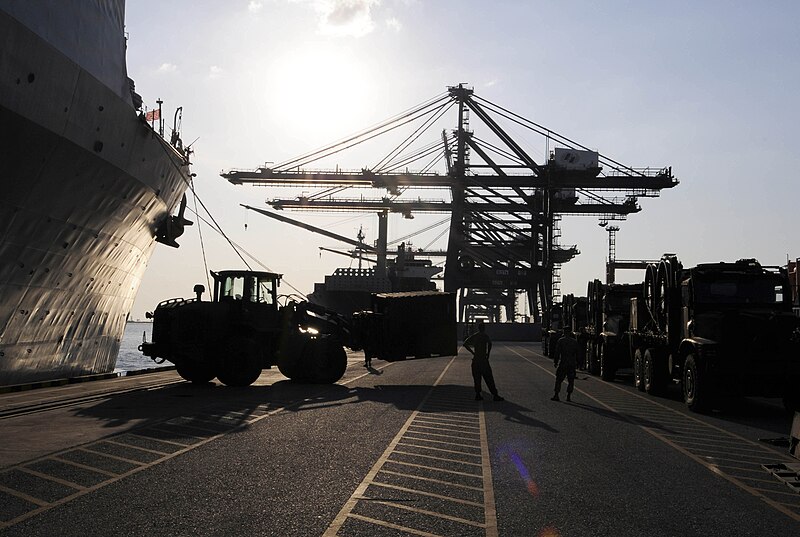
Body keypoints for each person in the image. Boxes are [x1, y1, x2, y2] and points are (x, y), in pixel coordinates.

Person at [463, 321, 504, 401]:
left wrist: (472, 352)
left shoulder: (475, 336)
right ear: (484, 328)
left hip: (475, 360)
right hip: (483, 360)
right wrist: (488, 353)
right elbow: (490, 344)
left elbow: (465, 343)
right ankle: (495, 395)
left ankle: (478, 395)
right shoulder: (485, 336)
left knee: (477, 379)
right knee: (489, 378)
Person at [551, 328, 578, 402]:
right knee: (571, 380)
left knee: (559, 379)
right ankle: (568, 396)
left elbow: (557, 352)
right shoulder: (574, 342)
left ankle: (556, 395)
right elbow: (577, 353)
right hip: (571, 364)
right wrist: (578, 363)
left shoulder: (561, 341)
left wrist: (555, 361)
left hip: (563, 363)